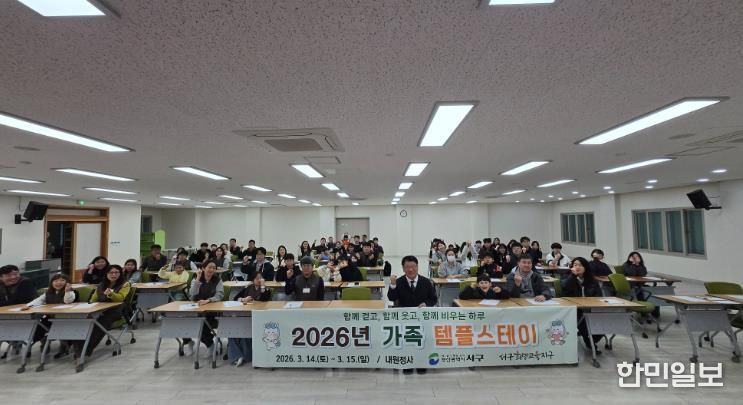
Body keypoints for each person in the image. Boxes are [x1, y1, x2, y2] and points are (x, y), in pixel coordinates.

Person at [388, 256, 436, 375]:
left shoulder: (426, 282)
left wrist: (426, 304)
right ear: (403, 268)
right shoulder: (399, 281)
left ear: (417, 267)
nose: (410, 270)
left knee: (422, 341)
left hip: (422, 318)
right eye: (407, 267)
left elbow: (433, 298)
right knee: (407, 342)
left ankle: (421, 363)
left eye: (413, 266)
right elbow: (392, 298)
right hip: (405, 318)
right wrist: (393, 285)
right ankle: (408, 364)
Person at [72, 265, 131, 360]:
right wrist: (91, 305)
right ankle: (77, 348)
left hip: (116, 310)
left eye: (116, 272)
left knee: (100, 323)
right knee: (82, 321)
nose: (114, 275)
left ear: (120, 274)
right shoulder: (101, 285)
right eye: (111, 272)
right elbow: (93, 299)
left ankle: (86, 351)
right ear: (106, 274)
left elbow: (120, 298)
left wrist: (111, 294)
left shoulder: (125, 284)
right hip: (100, 309)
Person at [23, 274, 76, 358]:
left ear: (68, 283)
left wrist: (67, 291)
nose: (59, 283)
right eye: (56, 281)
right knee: (40, 327)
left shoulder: (71, 292)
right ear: (51, 283)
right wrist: (28, 305)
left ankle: (64, 347)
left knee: (63, 330)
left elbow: (67, 301)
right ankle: (38, 342)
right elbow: (39, 300)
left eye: (62, 280)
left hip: (66, 319)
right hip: (51, 317)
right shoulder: (48, 292)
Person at [227, 272, 271, 366]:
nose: (259, 280)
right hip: (244, 314)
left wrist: (263, 287)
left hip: (257, 316)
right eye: (257, 278)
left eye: (261, 278)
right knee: (231, 330)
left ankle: (241, 356)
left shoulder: (266, 289)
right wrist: (243, 299)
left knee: (244, 332)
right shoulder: (248, 288)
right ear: (252, 280)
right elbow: (235, 298)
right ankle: (238, 356)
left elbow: (264, 299)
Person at [561, 257, 605, 352]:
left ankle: (591, 340)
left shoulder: (592, 280)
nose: (577, 267)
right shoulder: (567, 277)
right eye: (575, 265)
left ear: (585, 267)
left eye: (580, 265)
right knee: (583, 321)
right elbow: (564, 289)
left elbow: (599, 296)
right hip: (574, 309)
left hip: (590, 308)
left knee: (603, 323)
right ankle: (588, 341)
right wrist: (572, 276)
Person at [183, 260, 224, 356]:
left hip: (211, 310)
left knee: (202, 322)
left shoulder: (217, 280)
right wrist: (197, 279)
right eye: (209, 267)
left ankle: (210, 345)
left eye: (214, 268)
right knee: (183, 321)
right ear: (203, 268)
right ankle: (188, 342)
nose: (212, 270)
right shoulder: (196, 278)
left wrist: (208, 300)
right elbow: (191, 294)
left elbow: (220, 295)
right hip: (196, 308)